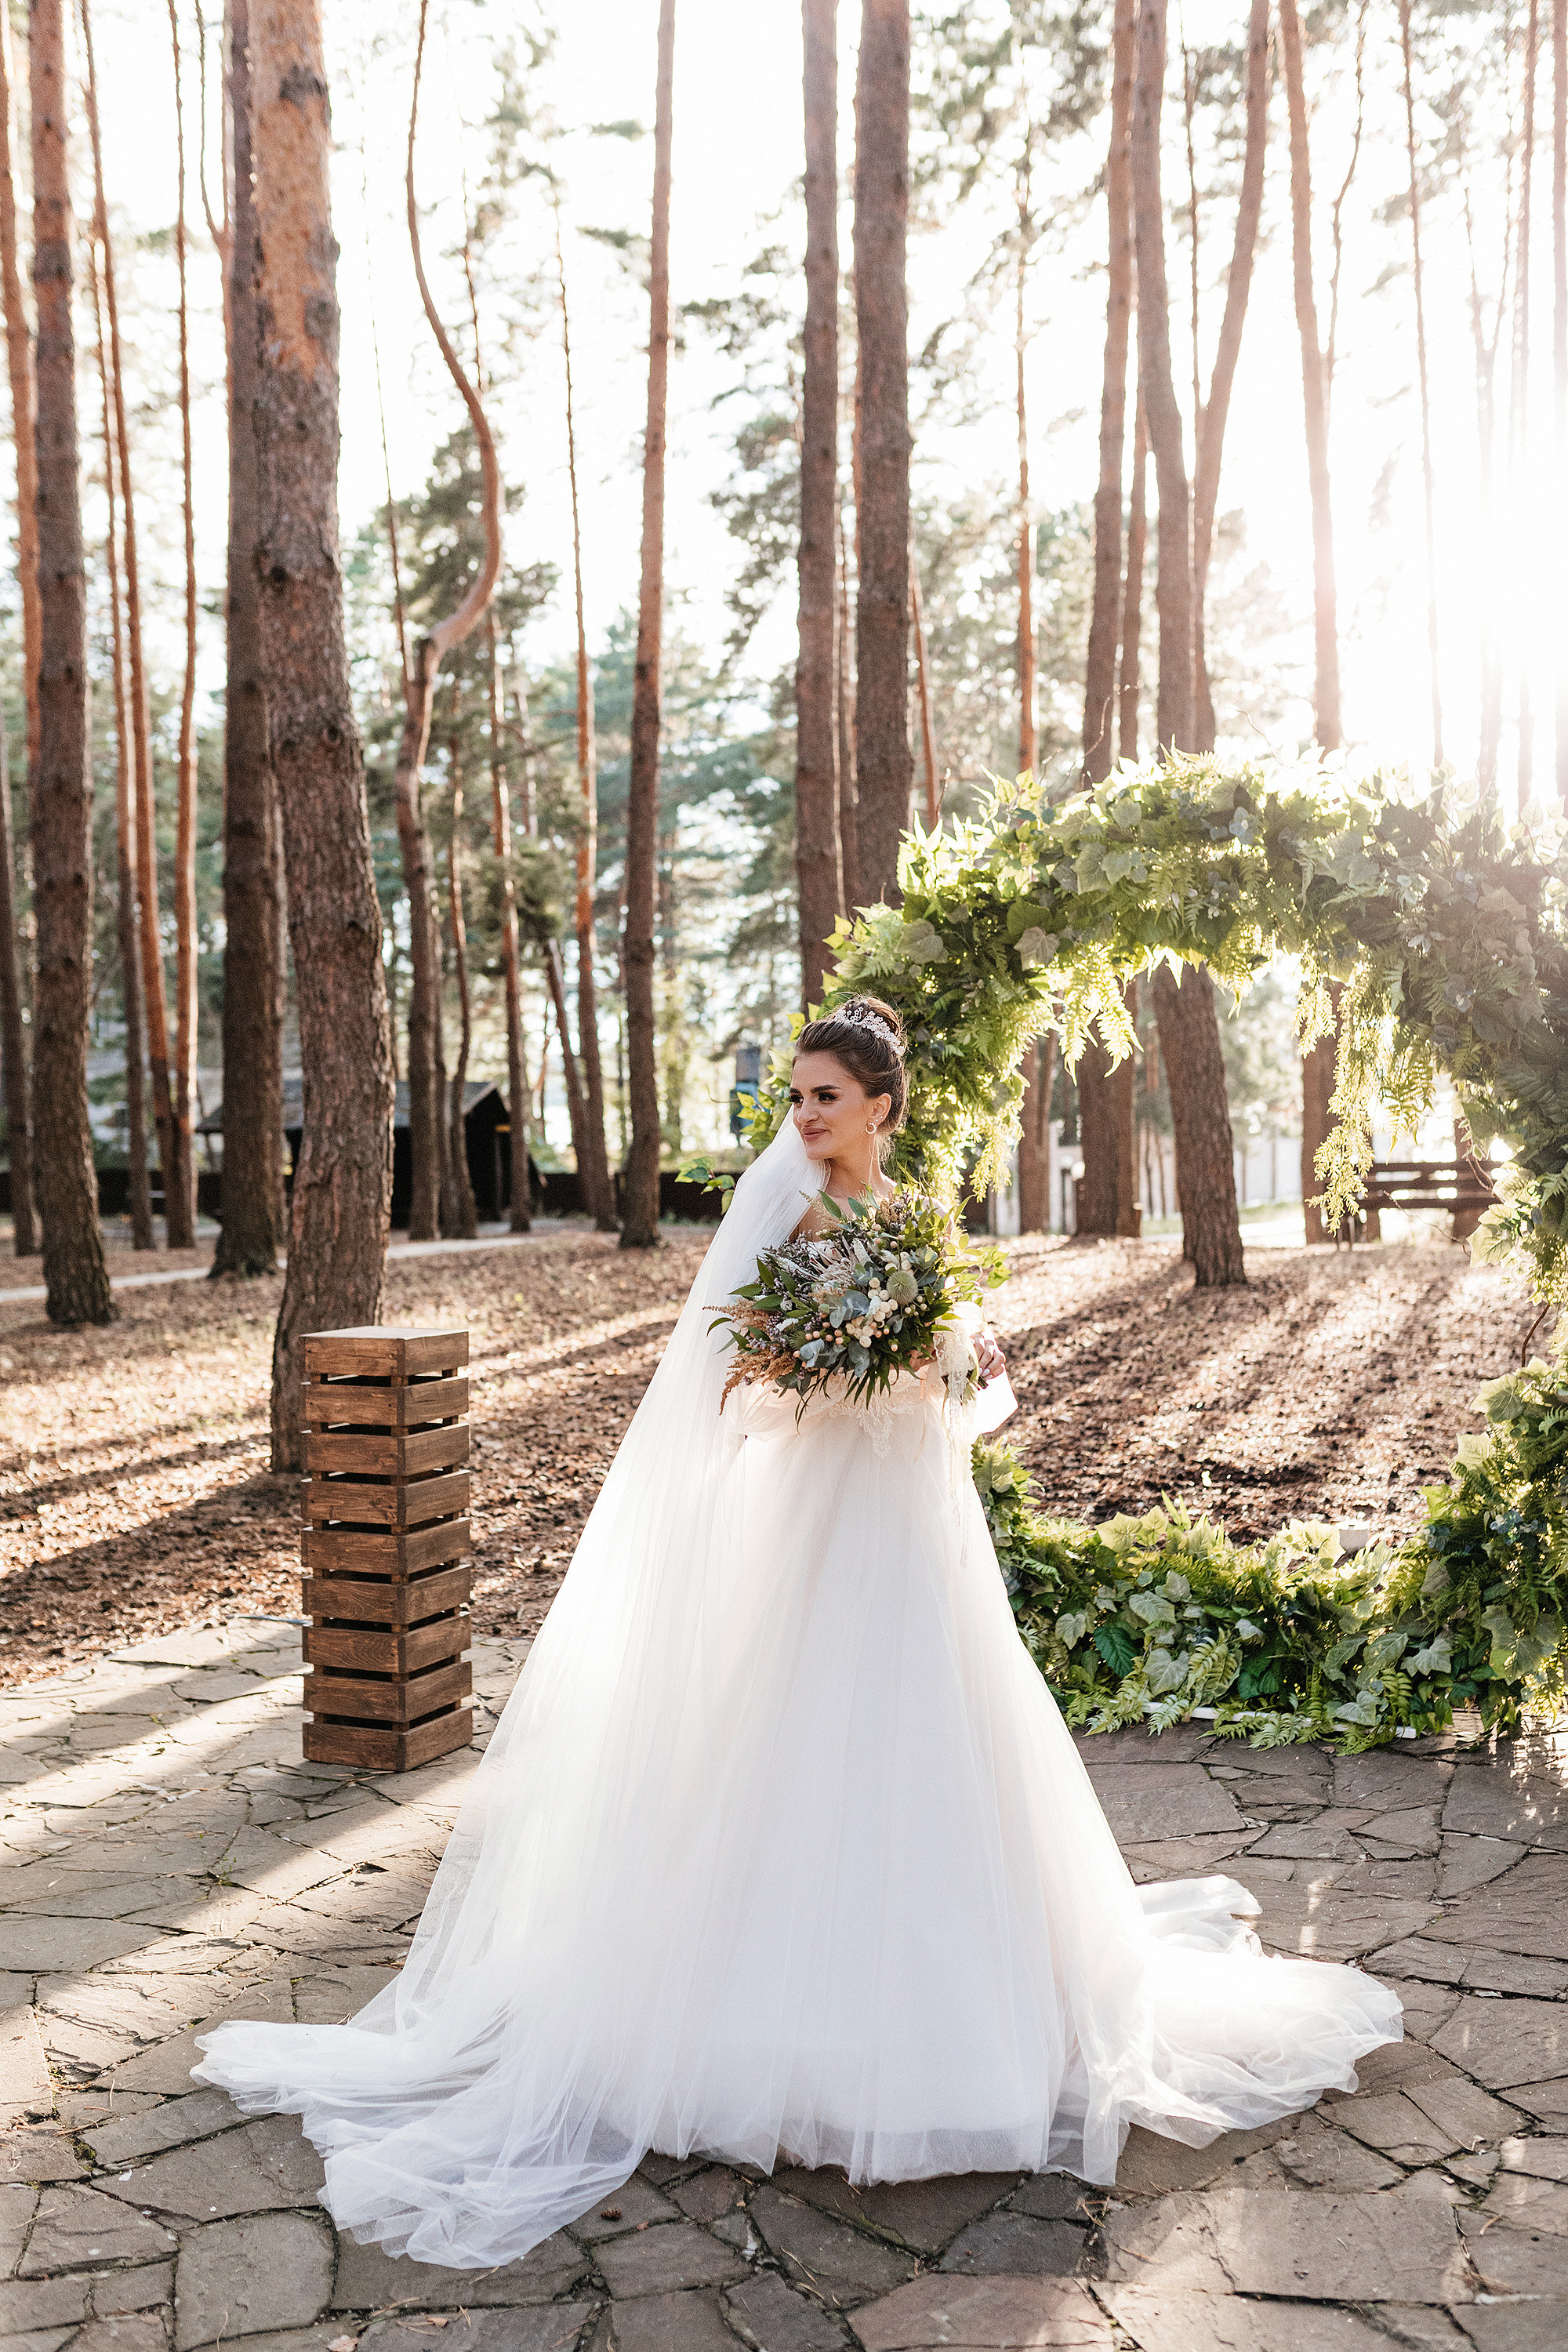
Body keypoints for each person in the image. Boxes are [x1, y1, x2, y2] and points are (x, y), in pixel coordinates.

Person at [194, 993, 1400, 2271]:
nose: (807, 1115)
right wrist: (834, 1372)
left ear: (882, 1104)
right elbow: (732, 1388)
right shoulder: (784, 1210)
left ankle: (982, 2012)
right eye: (798, 1096)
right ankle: (775, 2027)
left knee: (945, 1733)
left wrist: (954, 1357)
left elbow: (946, 1372)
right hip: (824, 1524)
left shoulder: (911, 1215)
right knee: (810, 1738)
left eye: (827, 1095)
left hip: (918, 1519)